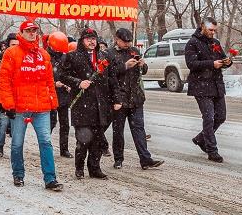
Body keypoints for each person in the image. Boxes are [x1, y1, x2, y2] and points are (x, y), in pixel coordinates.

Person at [0, 20, 63, 191]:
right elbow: (4, 81)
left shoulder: (44, 54)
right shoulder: (11, 53)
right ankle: (18, 174)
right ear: (21, 33)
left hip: (42, 107)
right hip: (20, 108)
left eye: (34, 30)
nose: (32, 33)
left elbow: (50, 81)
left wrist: (53, 103)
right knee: (17, 143)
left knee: (46, 143)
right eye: (28, 30)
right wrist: (8, 104)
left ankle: (50, 179)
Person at [59, 27, 113, 180]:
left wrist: (114, 99)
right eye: (88, 38)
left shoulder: (103, 56)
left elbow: (111, 79)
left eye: (94, 38)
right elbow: (62, 75)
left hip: (100, 104)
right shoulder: (73, 56)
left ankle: (94, 168)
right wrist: (78, 82)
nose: (91, 41)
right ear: (82, 41)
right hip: (82, 104)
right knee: (83, 139)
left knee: (97, 140)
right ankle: (79, 167)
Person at [109, 28, 164, 170]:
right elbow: (109, 74)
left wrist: (142, 65)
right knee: (118, 130)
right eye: (124, 42)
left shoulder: (134, 51)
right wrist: (124, 66)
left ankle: (145, 159)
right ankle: (118, 159)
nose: (127, 44)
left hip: (136, 98)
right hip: (119, 98)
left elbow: (143, 71)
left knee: (139, 129)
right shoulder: (110, 53)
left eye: (129, 41)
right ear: (117, 39)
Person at [185, 17, 232, 163]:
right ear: (203, 27)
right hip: (201, 86)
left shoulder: (215, 43)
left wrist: (227, 62)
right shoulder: (193, 43)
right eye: (210, 30)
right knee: (209, 118)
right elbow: (191, 64)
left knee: (221, 116)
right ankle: (212, 150)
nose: (213, 32)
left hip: (216, 84)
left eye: (214, 30)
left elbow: (222, 59)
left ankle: (200, 139)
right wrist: (212, 64)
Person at [45, 35, 73, 158]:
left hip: (63, 94)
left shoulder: (65, 56)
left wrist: (68, 83)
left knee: (65, 123)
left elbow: (68, 73)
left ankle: (64, 148)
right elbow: (42, 76)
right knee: (51, 122)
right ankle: (45, 146)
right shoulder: (45, 56)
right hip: (50, 94)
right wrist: (54, 83)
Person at [0, 34, 17, 157]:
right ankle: (0, 146)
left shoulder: (22, 58)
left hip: (17, 98)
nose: (15, 47)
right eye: (13, 45)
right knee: (3, 123)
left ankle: (15, 150)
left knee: (15, 126)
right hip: (3, 95)